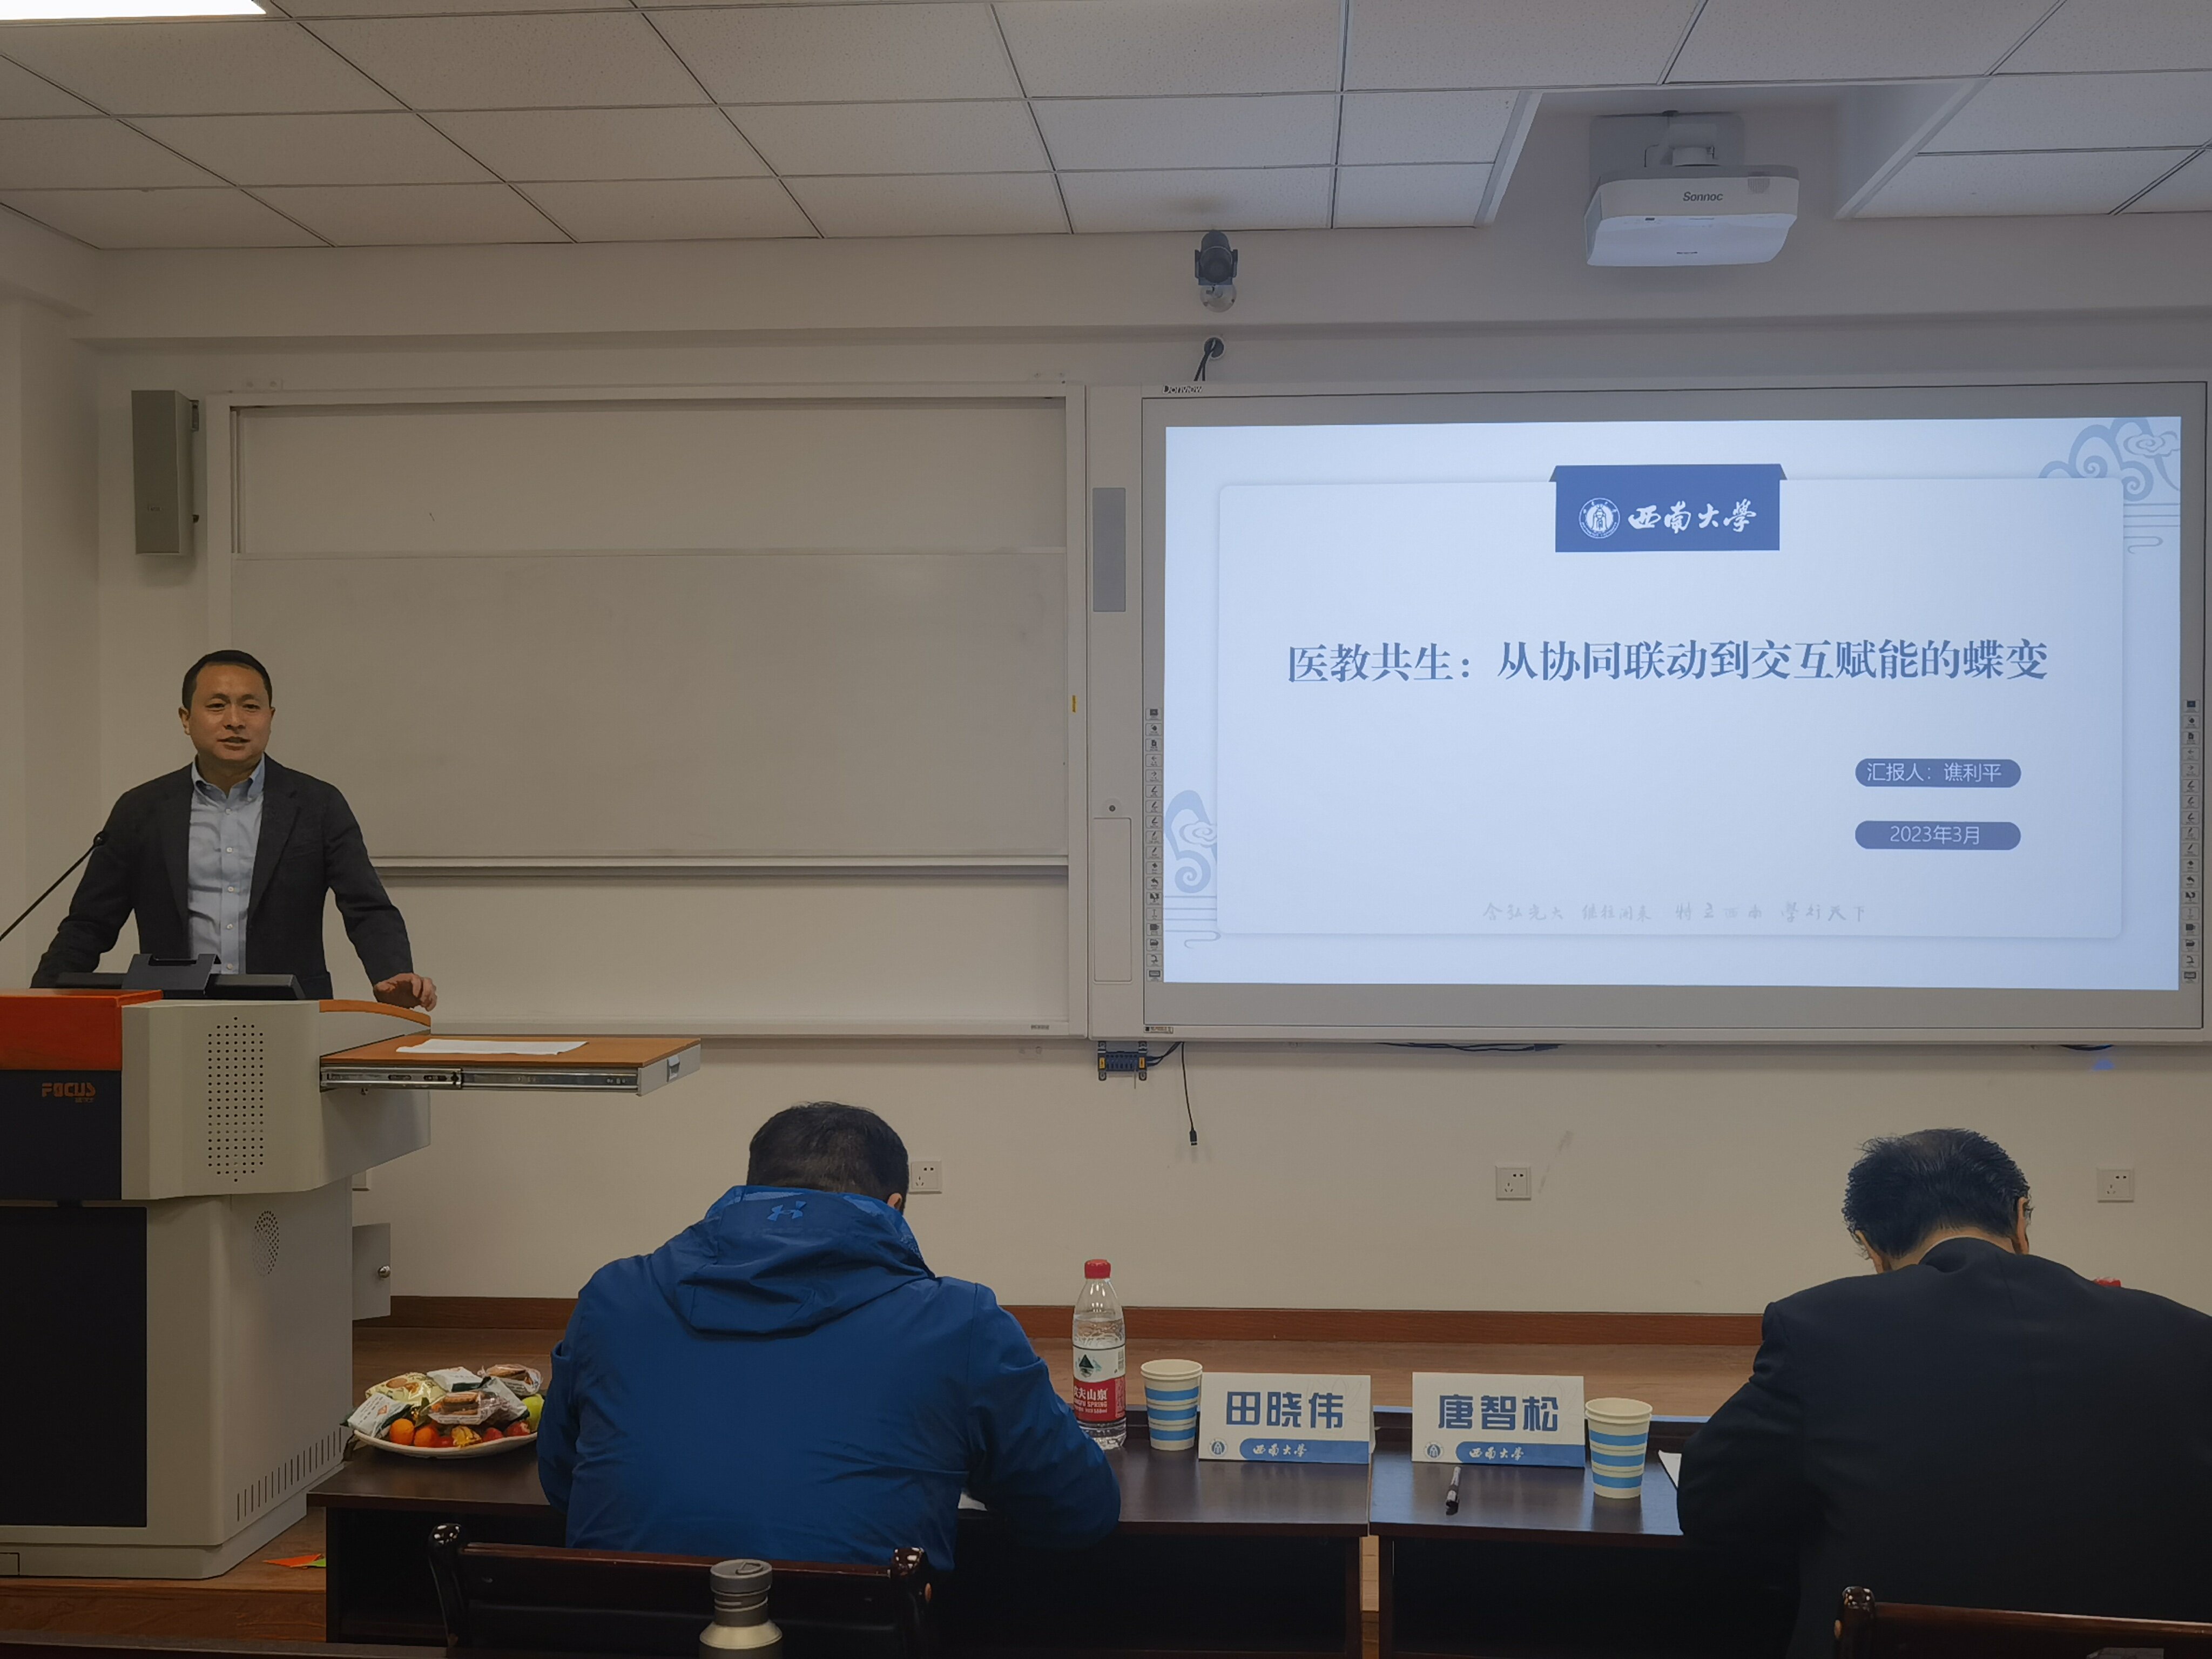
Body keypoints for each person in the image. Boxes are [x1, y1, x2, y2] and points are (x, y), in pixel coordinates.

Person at [1679, 1128, 2212, 1656]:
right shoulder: (2187, 1337)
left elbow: (1712, 1506)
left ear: (1871, 1248)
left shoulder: (1820, 1327)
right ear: (2020, 1220)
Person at [537, 1101, 1119, 1566]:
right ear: (895, 1207)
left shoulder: (612, 1298)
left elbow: (562, 1481)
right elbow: (1076, 1511)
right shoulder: (959, 1322)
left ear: (749, 1193)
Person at [31, 649, 435, 1008]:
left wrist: (393, 973)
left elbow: (366, 907)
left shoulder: (317, 804)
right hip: (172, 1014)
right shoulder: (142, 809)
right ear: (186, 719)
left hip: (290, 1013)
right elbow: (91, 921)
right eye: (217, 706)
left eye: (251, 707)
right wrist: (41, 998)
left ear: (271, 718)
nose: (235, 721)